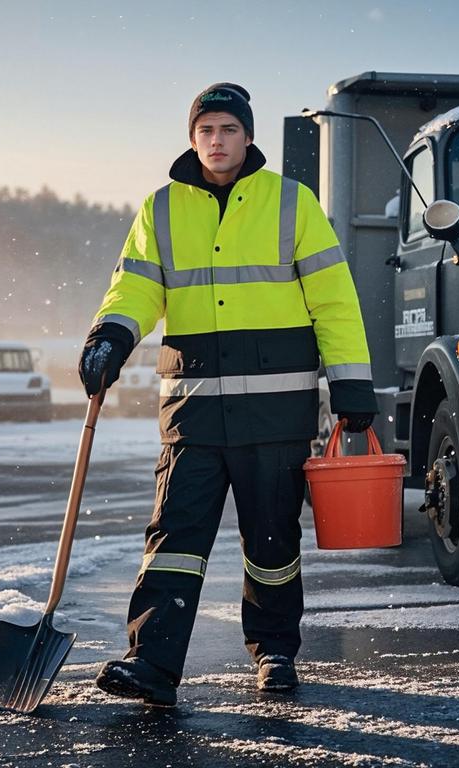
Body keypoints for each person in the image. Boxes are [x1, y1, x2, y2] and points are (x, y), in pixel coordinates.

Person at [79, 82, 376, 707]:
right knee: (175, 539)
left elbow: (333, 299)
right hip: (192, 411)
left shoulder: (292, 204)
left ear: (248, 137)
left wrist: (351, 384)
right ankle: (152, 664)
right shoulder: (160, 209)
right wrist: (110, 336)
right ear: (192, 138)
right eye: (206, 130)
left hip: (275, 411)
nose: (217, 141)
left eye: (229, 130)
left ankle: (273, 654)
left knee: (271, 541)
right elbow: (135, 289)